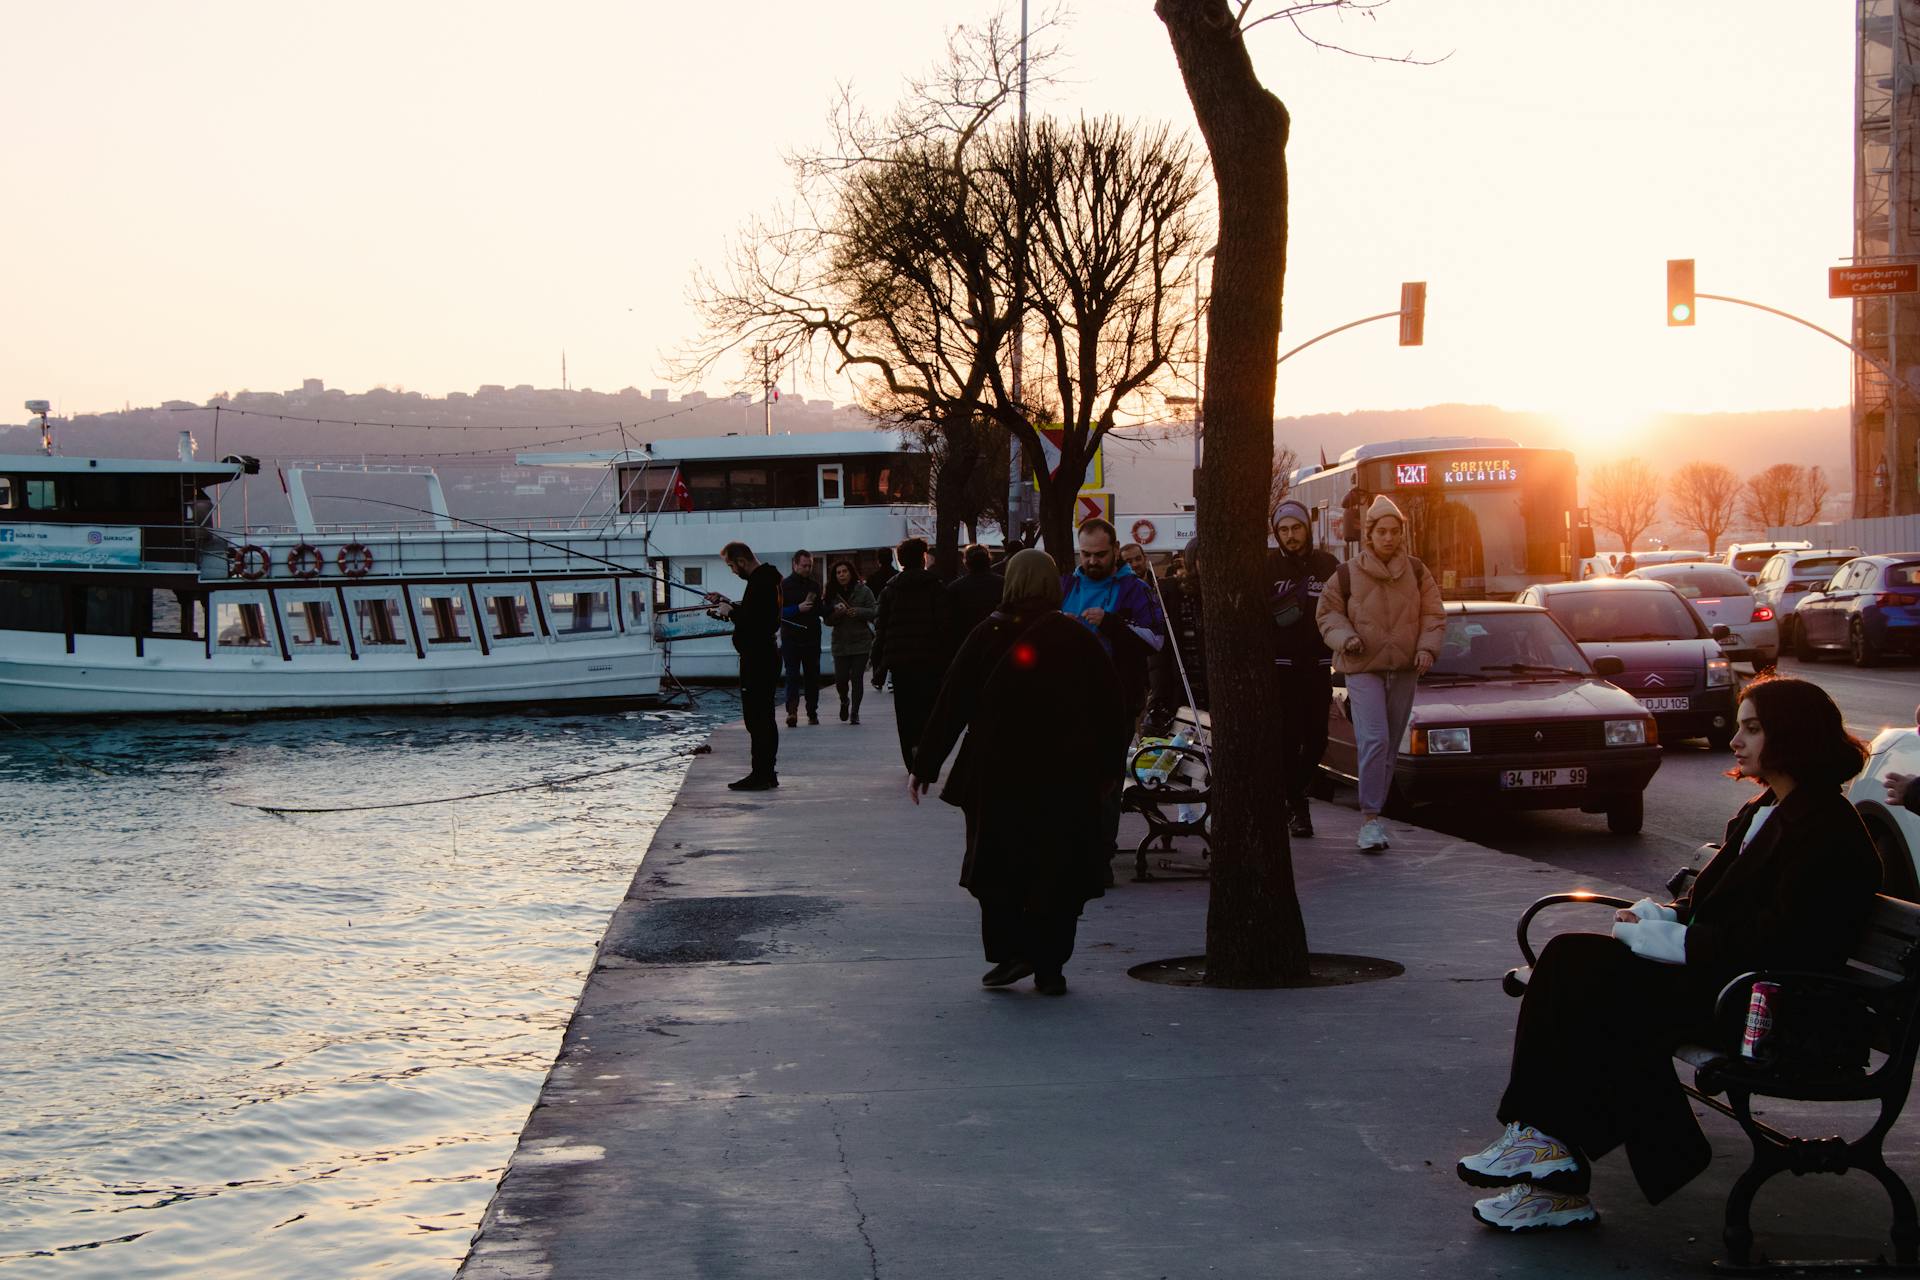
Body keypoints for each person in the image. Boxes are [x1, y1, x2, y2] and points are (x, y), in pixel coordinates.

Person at [1459, 675, 1879, 1232]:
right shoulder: (1769, 809)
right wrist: (1662, 918)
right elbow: (1709, 904)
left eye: (1752, 729)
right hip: (1730, 983)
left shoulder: (1826, 828)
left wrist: (1670, 940)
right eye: (1738, 727)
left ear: (1794, 735)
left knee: (1587, 987)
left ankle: (1549, 1159)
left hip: (1772, 1008)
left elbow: (1785, 944)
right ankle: (1546, 1159)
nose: (1735, 741)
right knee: (1570, 965)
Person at [910, 549, 1130, 996]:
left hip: (996, 772)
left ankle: (1011, 952)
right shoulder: (1077, 637)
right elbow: (1112, 710)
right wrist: (1108, 769)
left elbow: (952, 702)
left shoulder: (985, 634)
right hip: (1065, 774)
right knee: (1059, 867)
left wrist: (925, 766)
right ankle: (1050, 966)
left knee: (996, 864)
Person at [1315, 495, 1444, 853]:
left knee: (1388, 747)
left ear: (1401, 534)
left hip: (1404, 669)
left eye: (1394, 531)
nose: (1388, 538)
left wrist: (1426, 648)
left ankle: (1378, 815)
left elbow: (1434, 615)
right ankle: (1369, 820)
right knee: (1374, 741)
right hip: (1363, 668)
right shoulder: (1345, 574)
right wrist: (1347, 638)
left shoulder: (1418, 572)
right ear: (1369, 534)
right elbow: (1327, 615)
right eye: (1381, 531)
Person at [1270, 499, 1341, 839]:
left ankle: (1291, 794)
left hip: (1318, 665)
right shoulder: (1267, 567)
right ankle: (1296, 805)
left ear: (1307, 529)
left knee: (1316, 740)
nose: (1291, 536)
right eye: (1284, 530)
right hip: (1281, 668)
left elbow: (1344, 607)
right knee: (1286, 740)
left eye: (1296, 528)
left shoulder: (1328, 564)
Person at [705, 541, 782, 791]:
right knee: (763, 717)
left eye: (731, 566)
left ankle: (761, 774)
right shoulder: (765, 580)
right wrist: (728, 603)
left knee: (757, 718)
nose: (733, 571)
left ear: (741, 561)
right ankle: (766, 772)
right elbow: (757, 613)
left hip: (758, 659)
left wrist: (731, 613)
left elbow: (759, 623)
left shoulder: (761, 582)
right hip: (763, 656)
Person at [870, 537, 952, 770]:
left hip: (900, 662)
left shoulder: (891, 590)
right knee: (928, 708)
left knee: (904, 712)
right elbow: (944, 625)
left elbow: (881, 630)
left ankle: (911, 756)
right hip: (930, 659)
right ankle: (925, 751)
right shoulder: (936, 586)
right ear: (923, 557)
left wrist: (878, 664)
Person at [1149, 537, 1208, 727]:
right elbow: (1159, 655)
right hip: (1182, 689)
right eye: (1201, 559)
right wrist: (1159, 697)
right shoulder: (1172, 595)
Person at [824, 558, 877, 724]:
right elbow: (827, 620)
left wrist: (859, 611)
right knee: (840, 679)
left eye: (844, 571)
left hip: (861, 641)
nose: (841, 575)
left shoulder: (864, 590)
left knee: (857, 678)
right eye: (838, 572)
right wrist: (837, 613)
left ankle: (855, 712)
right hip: (840, 642)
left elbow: (874, 611)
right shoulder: (831, 593)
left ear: (851, 573)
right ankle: (844, 700)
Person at [779, 549, 824, 727]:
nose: (807, 569)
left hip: (812, 636)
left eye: (810, 566)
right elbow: (778, 612)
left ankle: (812, 712)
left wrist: (834, 610)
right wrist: (797, 608)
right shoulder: (784, 586)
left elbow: (819, 608)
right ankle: (792, 712)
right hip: (791, 637)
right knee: (792, 676)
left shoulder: (815, 585)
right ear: (795, 564)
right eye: (804, 565)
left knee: (813, 677)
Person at [946, 542, 1003, 652]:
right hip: (995, 639)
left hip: (964, 640)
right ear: (988, 560)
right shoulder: (1003, 583)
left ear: (966, 562)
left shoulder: (955, 587)